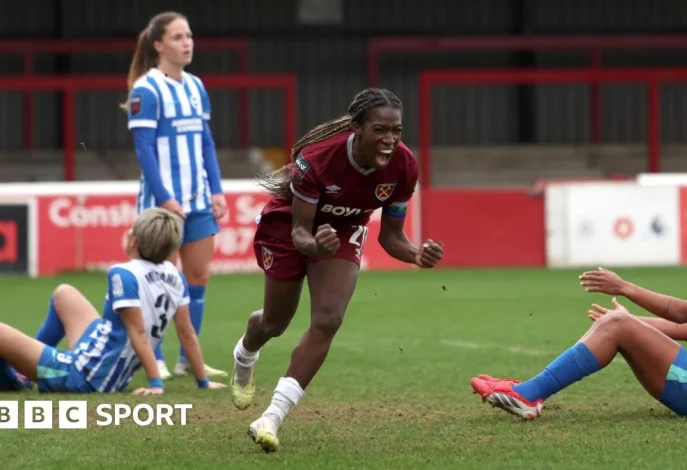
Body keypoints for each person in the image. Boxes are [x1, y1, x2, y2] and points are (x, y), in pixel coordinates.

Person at [228, 87, 444, 452]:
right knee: (275, 323)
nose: (390, 140)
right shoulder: (316, 160)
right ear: (357, 127)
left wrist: (415, 254)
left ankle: (271, 417)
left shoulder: (405, 166)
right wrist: (315, 244)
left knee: (328, 319)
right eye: (380, 130)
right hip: (288, 228)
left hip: (342, 233)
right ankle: (245, 353)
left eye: (397, 130)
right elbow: (300, 231)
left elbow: (392, 237)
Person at [471, 208, 687, 420]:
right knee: (617, 324)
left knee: (618, 324)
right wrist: (627, 322)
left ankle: (528, 395)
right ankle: (528, 391)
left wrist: (624, 287)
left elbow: (683, 313)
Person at [0, 208, 226, 395]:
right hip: (105, 363)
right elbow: (187, 334)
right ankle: (24, 371)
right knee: (65, 294)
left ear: (134, 240)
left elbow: (137, 331)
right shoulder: (176, 276)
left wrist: (155, 383)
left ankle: (12, 380)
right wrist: (203, 381)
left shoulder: (123, 273)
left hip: (85, 377)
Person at [121, 11, 228, 380]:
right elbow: (145, 150)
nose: (188, 42)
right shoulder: (146, 90)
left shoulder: (196, 86)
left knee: (197, 278)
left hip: (198, 201)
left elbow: (207, 143)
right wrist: (165, 198)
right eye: (179, 36)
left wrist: (216, 190)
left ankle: (188, 359)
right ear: (158, 45)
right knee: (157, 280)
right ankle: (155, 358)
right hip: (160, 205)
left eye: (190, 35)